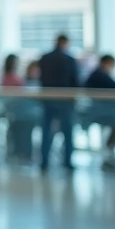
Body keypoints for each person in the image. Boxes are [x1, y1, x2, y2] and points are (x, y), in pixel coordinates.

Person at [38, 34, 79, 171]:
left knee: (46, 130)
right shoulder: (69, 59)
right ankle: (67, 161)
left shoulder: (45, 58)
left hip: (48, 98)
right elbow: (75, 81)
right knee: (67, 131)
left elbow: (41, 79)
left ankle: (44, 161)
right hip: (65, 99)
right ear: (65, 43)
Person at [84, 55, 115, 170]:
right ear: (106, 63)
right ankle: (110, 151)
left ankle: (111, 151)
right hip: (100, 111)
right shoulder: (99, 75)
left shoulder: (99, 74)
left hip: (102, 109)